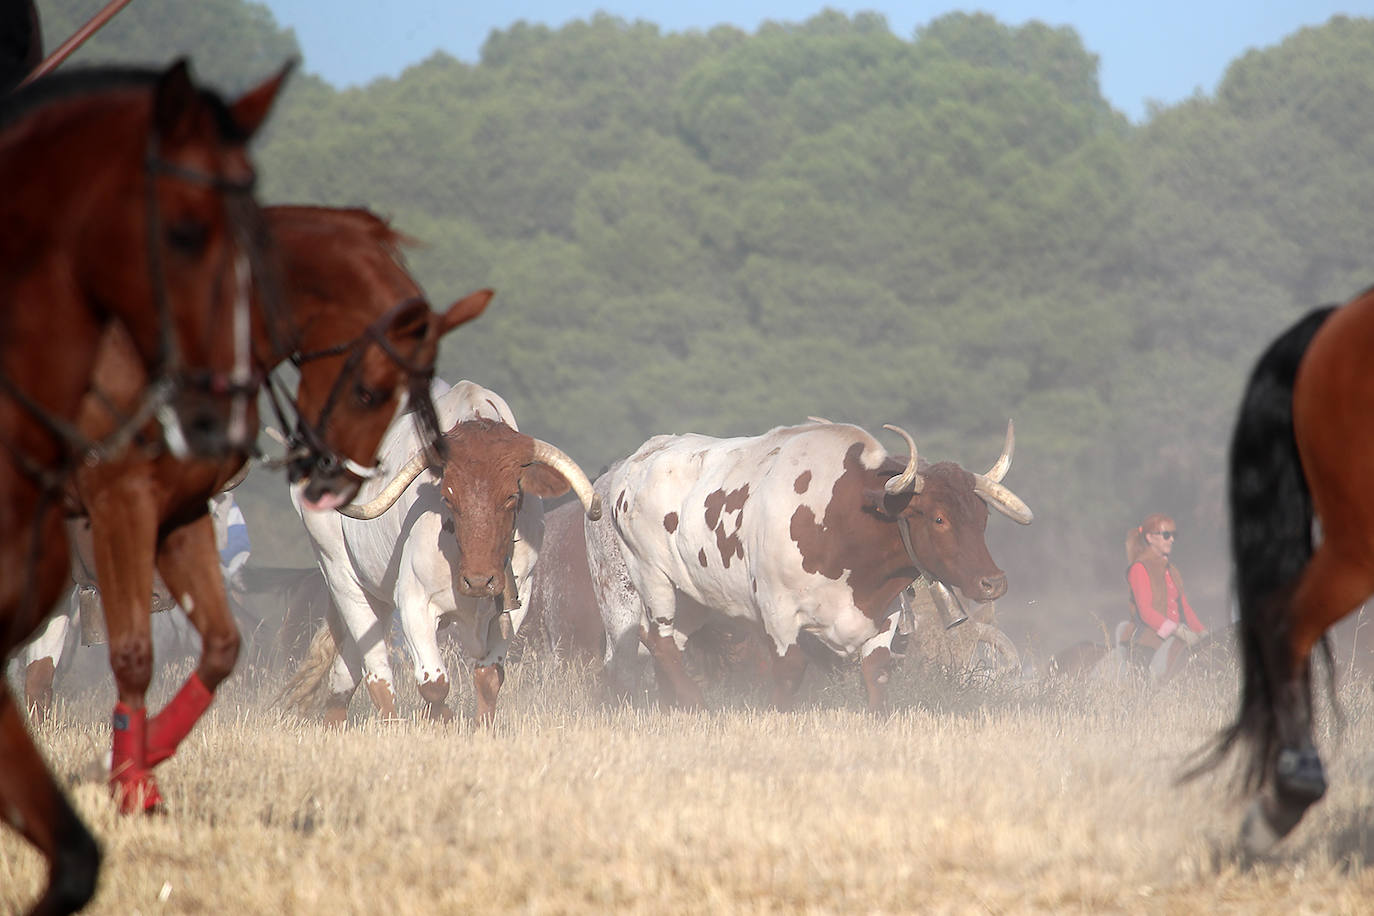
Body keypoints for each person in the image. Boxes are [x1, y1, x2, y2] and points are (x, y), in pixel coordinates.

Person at [1117, 512, 1207, 681]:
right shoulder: (1139, 567)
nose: (1172, 539)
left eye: (1174, 535)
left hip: (1176, 634)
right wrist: (1175, 629)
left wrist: (1202, 632)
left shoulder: (1172, 570)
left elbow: (1184, 607)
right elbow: (1145, 611)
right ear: (1150, 538)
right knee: (1145, 684)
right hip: (1147, 638)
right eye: (1166, 535)